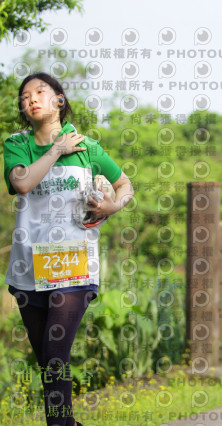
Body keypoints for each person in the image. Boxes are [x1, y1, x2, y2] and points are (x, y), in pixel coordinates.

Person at [3, 72, 134, 426]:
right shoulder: (17, 144)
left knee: (56, 353)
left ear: (59, 99)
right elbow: (23, 182)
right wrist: (57, 149)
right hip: (28, 267)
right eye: (24, 96)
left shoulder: (88, 146)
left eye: (40, 92)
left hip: (74, 265)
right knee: (47, 358)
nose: (31, 99)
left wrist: (113, 206)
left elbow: (125, 185)